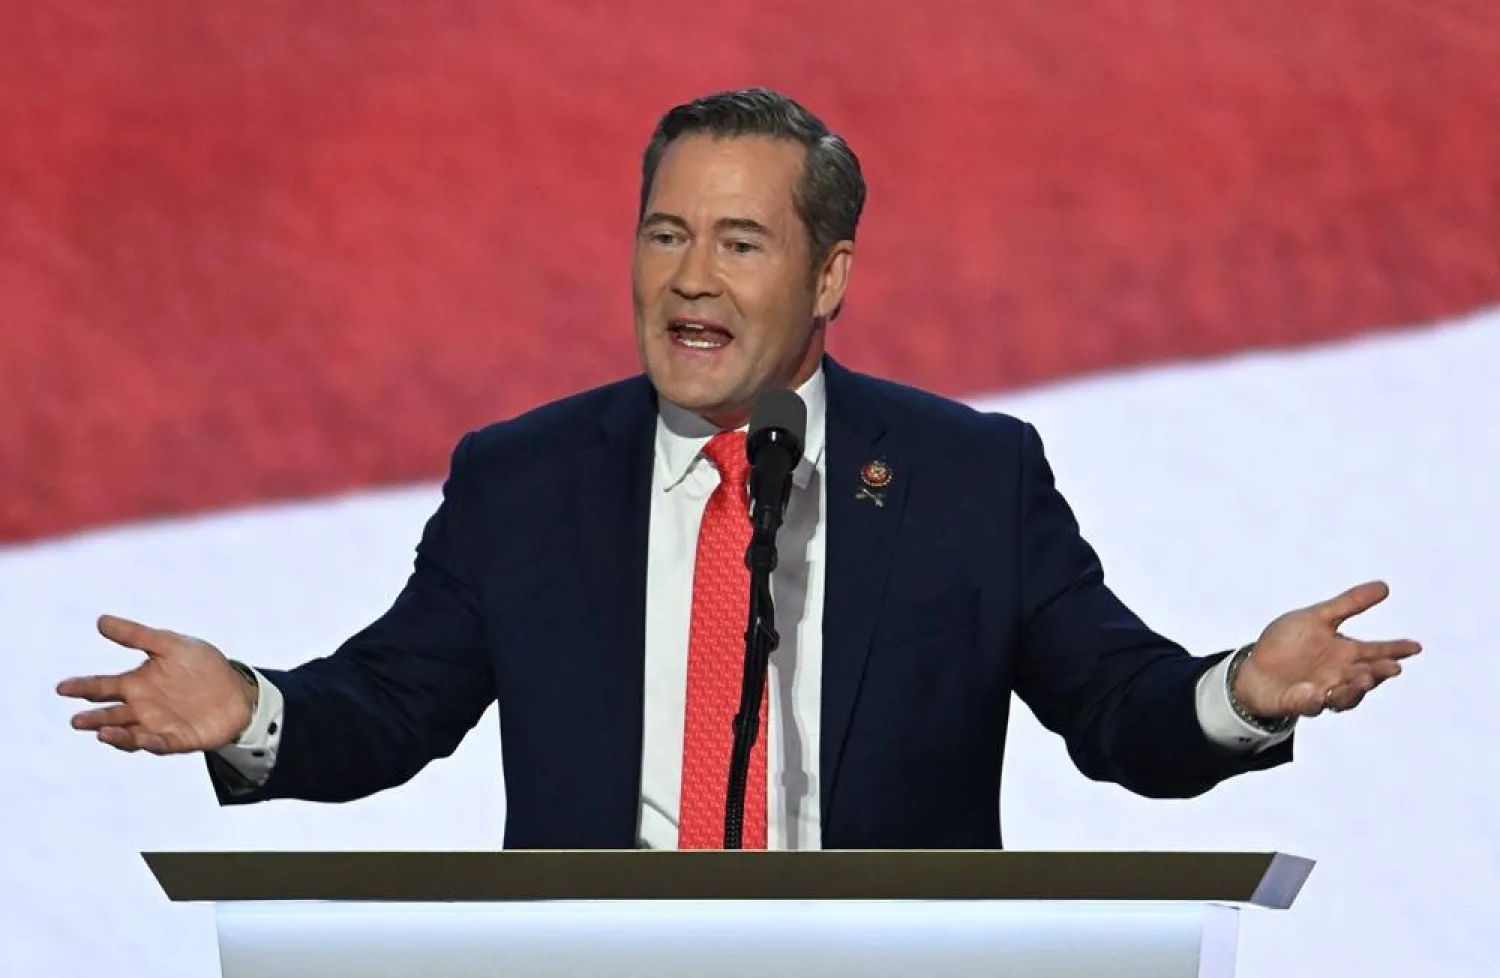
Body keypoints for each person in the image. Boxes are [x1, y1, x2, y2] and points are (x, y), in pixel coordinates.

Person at [57, 88, 1421, 850]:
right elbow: (388, 709)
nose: (689, 278)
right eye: (664, 235)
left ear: (830, 276)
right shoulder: (524, 481)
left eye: (740, 242)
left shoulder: (968, 476)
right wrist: (247, 708)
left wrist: (1239, 693)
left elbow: (1119, 710)